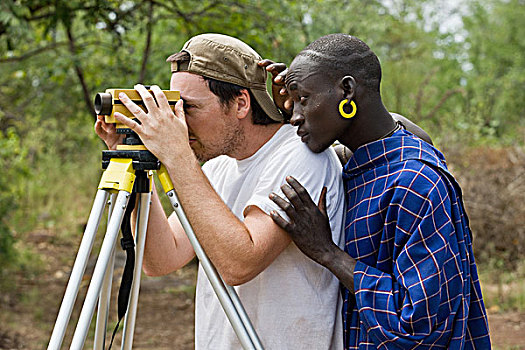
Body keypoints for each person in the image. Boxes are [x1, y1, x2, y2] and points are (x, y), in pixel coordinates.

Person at [95, 33, 345, 349]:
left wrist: (177, 156)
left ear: (240, 103)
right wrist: (136, 158)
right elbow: (161, 259)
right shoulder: (216, 166)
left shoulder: (301, 156)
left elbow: (240, 263)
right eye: (175, 108)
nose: (179, 122)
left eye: (188, 108)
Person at [265, 34, 491, 349]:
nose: (296, 116)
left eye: (303, 99)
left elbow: (416, 325)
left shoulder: (416, 184)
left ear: (346, 90)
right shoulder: (359, 165)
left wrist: (328, 253)